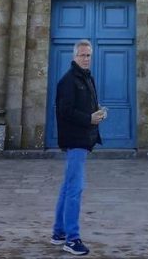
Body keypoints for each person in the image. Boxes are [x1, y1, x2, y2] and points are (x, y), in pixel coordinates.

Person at [51, 39, 106, 256]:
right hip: (75, 139)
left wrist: (97, 112)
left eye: (89, 55)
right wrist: (88, 119)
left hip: (83, 137)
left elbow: (84, 107)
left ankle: (59, 232)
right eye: (82, 55)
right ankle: (72, 239)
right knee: (75, 188)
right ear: (74, 56)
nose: (86, 59)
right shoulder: (68, 81)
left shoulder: (86, 78)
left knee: (68, 187)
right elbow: (64, 111)